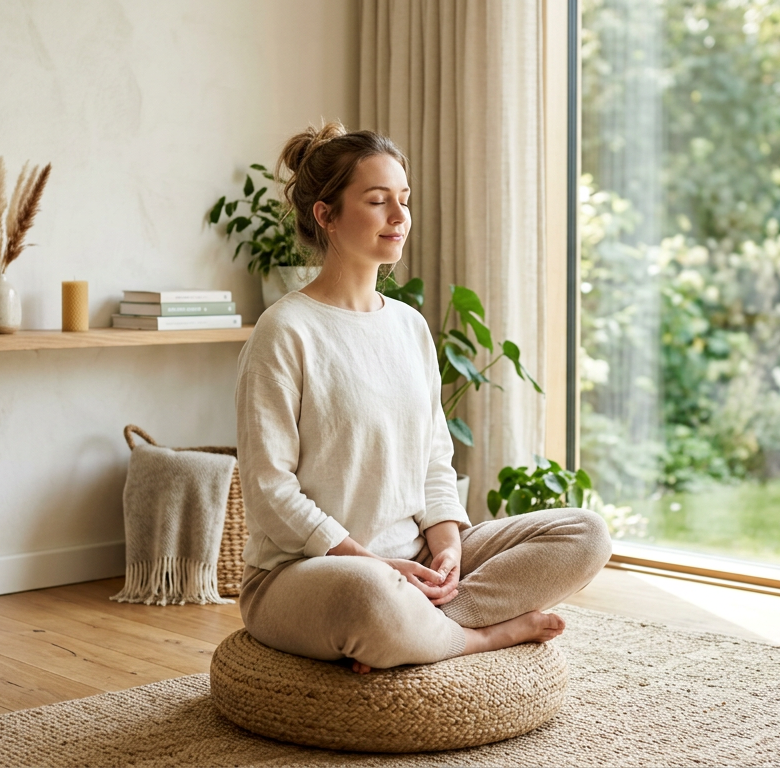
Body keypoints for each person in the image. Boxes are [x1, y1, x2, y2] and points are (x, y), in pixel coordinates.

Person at [234, 122, 612, 674]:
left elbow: (434, 459)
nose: (399, 216)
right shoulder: (285, 330)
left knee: (586, 534)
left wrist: (447, 548)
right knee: (370, 596)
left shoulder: (409, 327)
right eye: (377, 200)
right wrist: (372, 564)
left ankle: (417, 628)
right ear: (326, 215)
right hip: (309, 574)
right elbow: (269, 489)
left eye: (404, 201)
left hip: (414, 563)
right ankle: (480, 636)